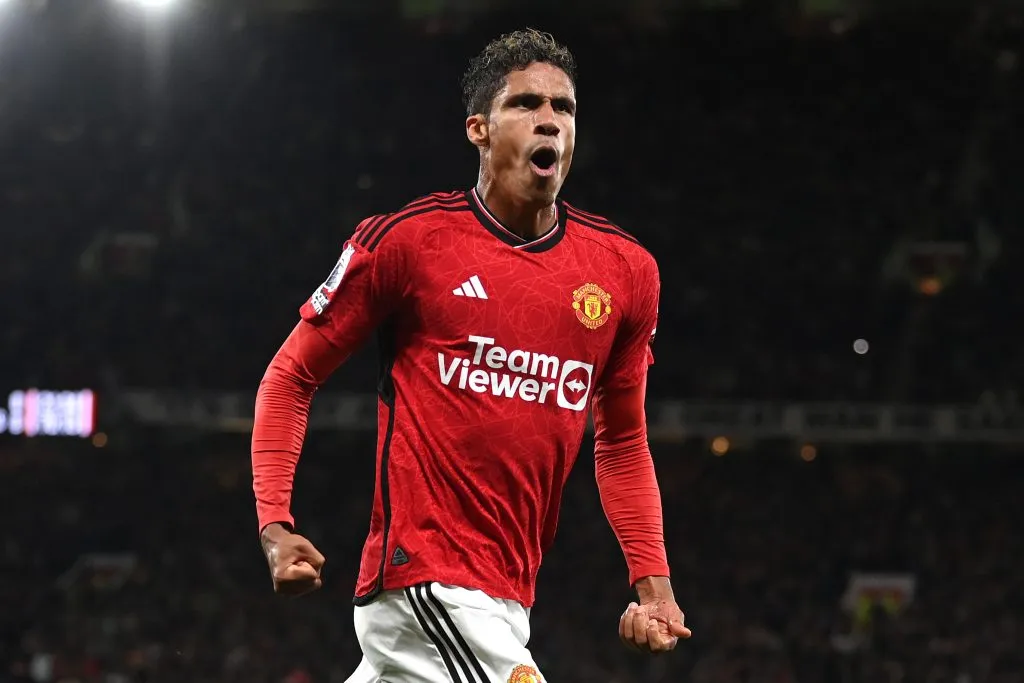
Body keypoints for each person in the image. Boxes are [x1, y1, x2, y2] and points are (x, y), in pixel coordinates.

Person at [251, 28, 691, 683]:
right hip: (424, 582)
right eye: (526, 104)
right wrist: (275, 526)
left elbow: (623, 440)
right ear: (479, 130)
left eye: (564, 107)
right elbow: (291, 375)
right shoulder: (408, 244)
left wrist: (654, 585)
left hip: (509, 596)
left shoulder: (625, 272)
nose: (549, 119)